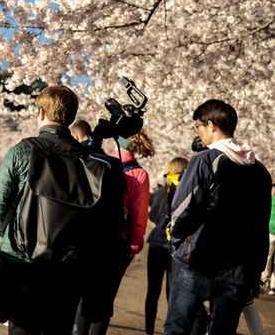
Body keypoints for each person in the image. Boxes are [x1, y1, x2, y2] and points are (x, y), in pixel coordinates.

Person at [0, 86, 125, 335]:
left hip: (24, 262)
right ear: (71, 118)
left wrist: (11, 241)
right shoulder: (92, 163)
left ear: (41, 113)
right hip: (69, 268)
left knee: (22, 328)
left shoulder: (23, 151)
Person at [163, 99, 272, 335]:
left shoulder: (205, 161)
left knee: (178, 327)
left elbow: (182, 210)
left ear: (211, 125)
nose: (198, 133)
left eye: (198, 127)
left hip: (199, 260)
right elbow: (261, 223)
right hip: (239, 267)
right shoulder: (259, 170)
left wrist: (178, 243)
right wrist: (256, 268)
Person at [75, 130, 153, 335]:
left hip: (89, 239)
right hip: (117, 243)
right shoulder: (139, 174)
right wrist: (134, 244)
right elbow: (139, 215)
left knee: (84, 296)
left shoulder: (100, 163)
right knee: (104, 301)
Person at [144, 157, 188, 334]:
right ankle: (170, 329)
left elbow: (152, 217)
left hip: (156, 243)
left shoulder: (158, 193)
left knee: (152, 291)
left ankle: (149, 329)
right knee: (173, 292)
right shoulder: (184, 193)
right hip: (175, 247)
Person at [260, 184, 275, 295]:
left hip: (271, 233)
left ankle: (273, 285)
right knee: (268, 257)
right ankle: (264, 280)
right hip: (270, 233)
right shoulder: (269, 200)